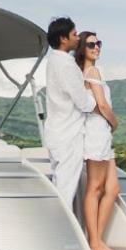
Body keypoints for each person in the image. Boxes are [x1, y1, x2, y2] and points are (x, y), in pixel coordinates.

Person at [38, 15, 96, 229]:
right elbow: (83, 102)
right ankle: (62, 233)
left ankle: (57, 231)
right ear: (63, 39)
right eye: (73, 35)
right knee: (66, 187)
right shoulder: (67, 65)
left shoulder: (52, 61)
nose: (77, 38)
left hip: (55, 131)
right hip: (68, 134)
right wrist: (92, 93)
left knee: (59, 184)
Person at [75, 31, 121, 250]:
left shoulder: (93, 71)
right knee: (95, 188)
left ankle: (97, 240)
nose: (96, 48)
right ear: (82, 48)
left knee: (112, 189)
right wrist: (115, 122)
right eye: (91, 44)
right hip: (96, 132)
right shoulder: (91, 71)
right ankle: (94, 242)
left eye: (98, 43)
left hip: (103, 135)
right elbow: (102, 105)